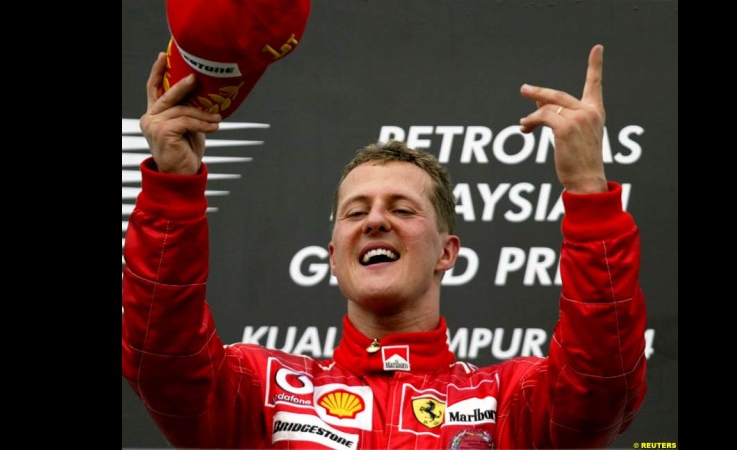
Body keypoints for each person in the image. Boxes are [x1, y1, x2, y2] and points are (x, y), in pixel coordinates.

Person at [122, 44, 647, 449]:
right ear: (332, 255)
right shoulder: (262, 391)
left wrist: (586, 189)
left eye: (401, 209)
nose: (375, 221)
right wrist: (173, 186)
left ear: (447, 252)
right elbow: (161, 359)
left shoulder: (507, 402)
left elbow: (602, 383)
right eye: (355, 212)